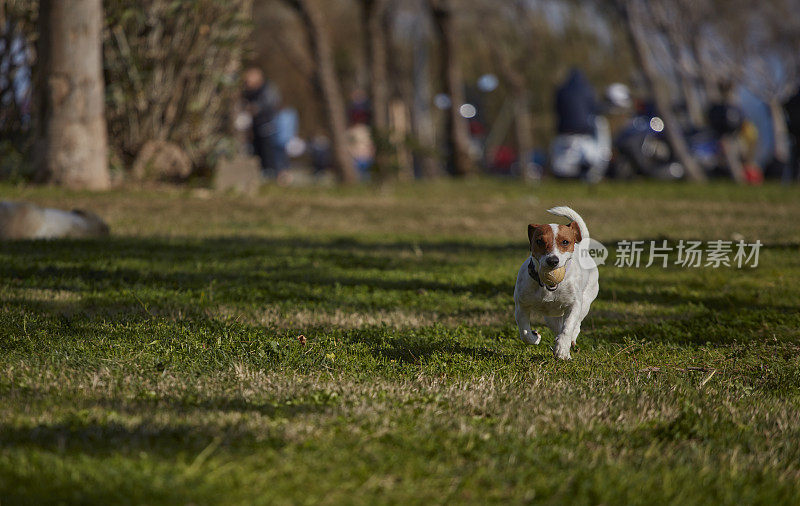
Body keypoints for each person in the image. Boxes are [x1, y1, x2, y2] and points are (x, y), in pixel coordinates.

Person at [550, 68, 611, 182]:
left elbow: (557, 109)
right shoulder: (588, 90)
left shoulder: (561, 91)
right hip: (583, 134)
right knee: (592, 161)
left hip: (563, 133)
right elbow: (593, 109)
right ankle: (586, 173)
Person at [242, 67, 283, 178]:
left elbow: (270, 104)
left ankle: (271, 173)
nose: (247, 84)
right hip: (255, 125)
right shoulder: (249, 92)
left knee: (268, 149)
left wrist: (256, 108)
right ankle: (262, 172)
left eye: (249, 81)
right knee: (257, 148)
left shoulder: (268, 89)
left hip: (267, 124)